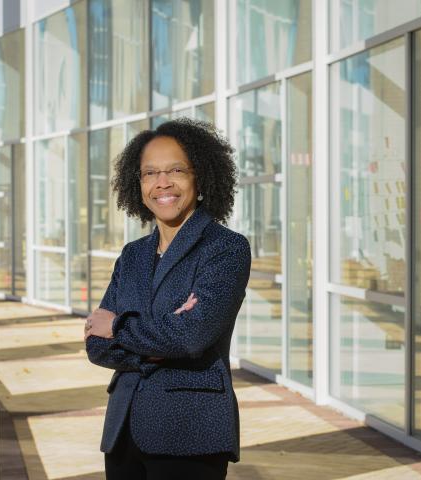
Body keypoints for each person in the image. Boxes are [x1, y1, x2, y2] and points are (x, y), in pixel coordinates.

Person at [84, 118, 251, 480]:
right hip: (123, 429)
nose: (162, 182)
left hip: (189, 432)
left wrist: (117, 326)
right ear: (137, 183)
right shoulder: (132, 255)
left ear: (201, 176)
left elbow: (190, 336)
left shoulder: (225, 249)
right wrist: (157, 339)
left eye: (176, 170)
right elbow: (97, 347)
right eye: (149, 173)